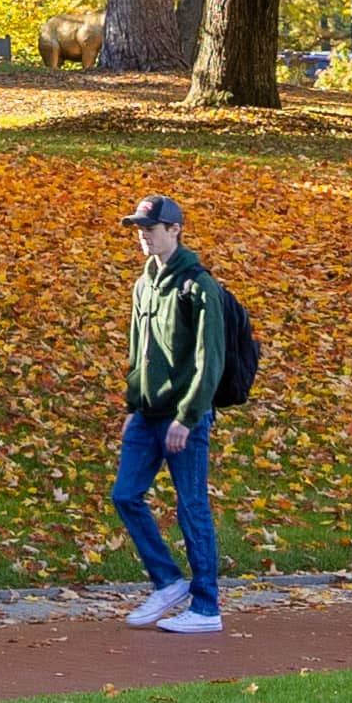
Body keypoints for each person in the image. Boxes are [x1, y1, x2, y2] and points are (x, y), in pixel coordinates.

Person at [111, 195, 232, 635]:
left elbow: (209, 360)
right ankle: (167, 582)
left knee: (192, 507)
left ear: (176, 230)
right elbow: (138, 352)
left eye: (152, 227)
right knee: (125, 495)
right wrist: (132, 406)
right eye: (140, 228)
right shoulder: (143, 284)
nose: (143, 235)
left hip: (185, 418)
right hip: (146, 414)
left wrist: (188, 416)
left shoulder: (199, 286)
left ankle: (206, 606)